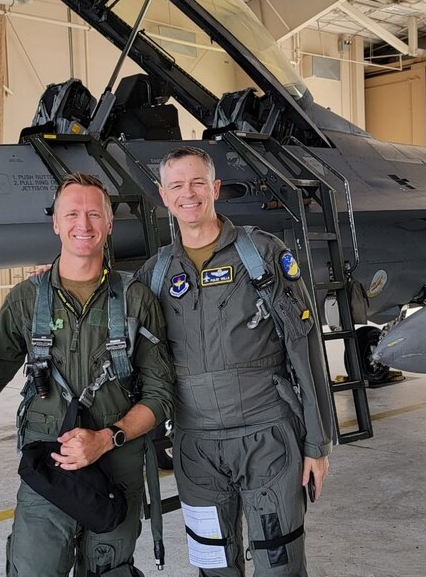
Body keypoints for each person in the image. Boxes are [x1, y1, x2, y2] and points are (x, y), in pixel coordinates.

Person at [135, 146, 335, 576]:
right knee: (214, 568)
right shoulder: (154, 275)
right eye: (176, 186)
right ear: (163, 196)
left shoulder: (262, 256)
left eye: (197, 183)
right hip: (196, 450)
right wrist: (51, 277)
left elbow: (305, 350)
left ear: (215, 188)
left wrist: (317, 445)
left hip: (268, 441)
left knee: (280, 565)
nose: (188, 194)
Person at [0, 173, 173, 577]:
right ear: (55, 223)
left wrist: (107, 438)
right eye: (72, 214)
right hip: (47, 467)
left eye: (93, 214)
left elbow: (160, 394)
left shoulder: (136, 299)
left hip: (117, 464)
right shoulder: (26, 300)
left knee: (110, 570)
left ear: (108, 223)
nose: (82, 225)